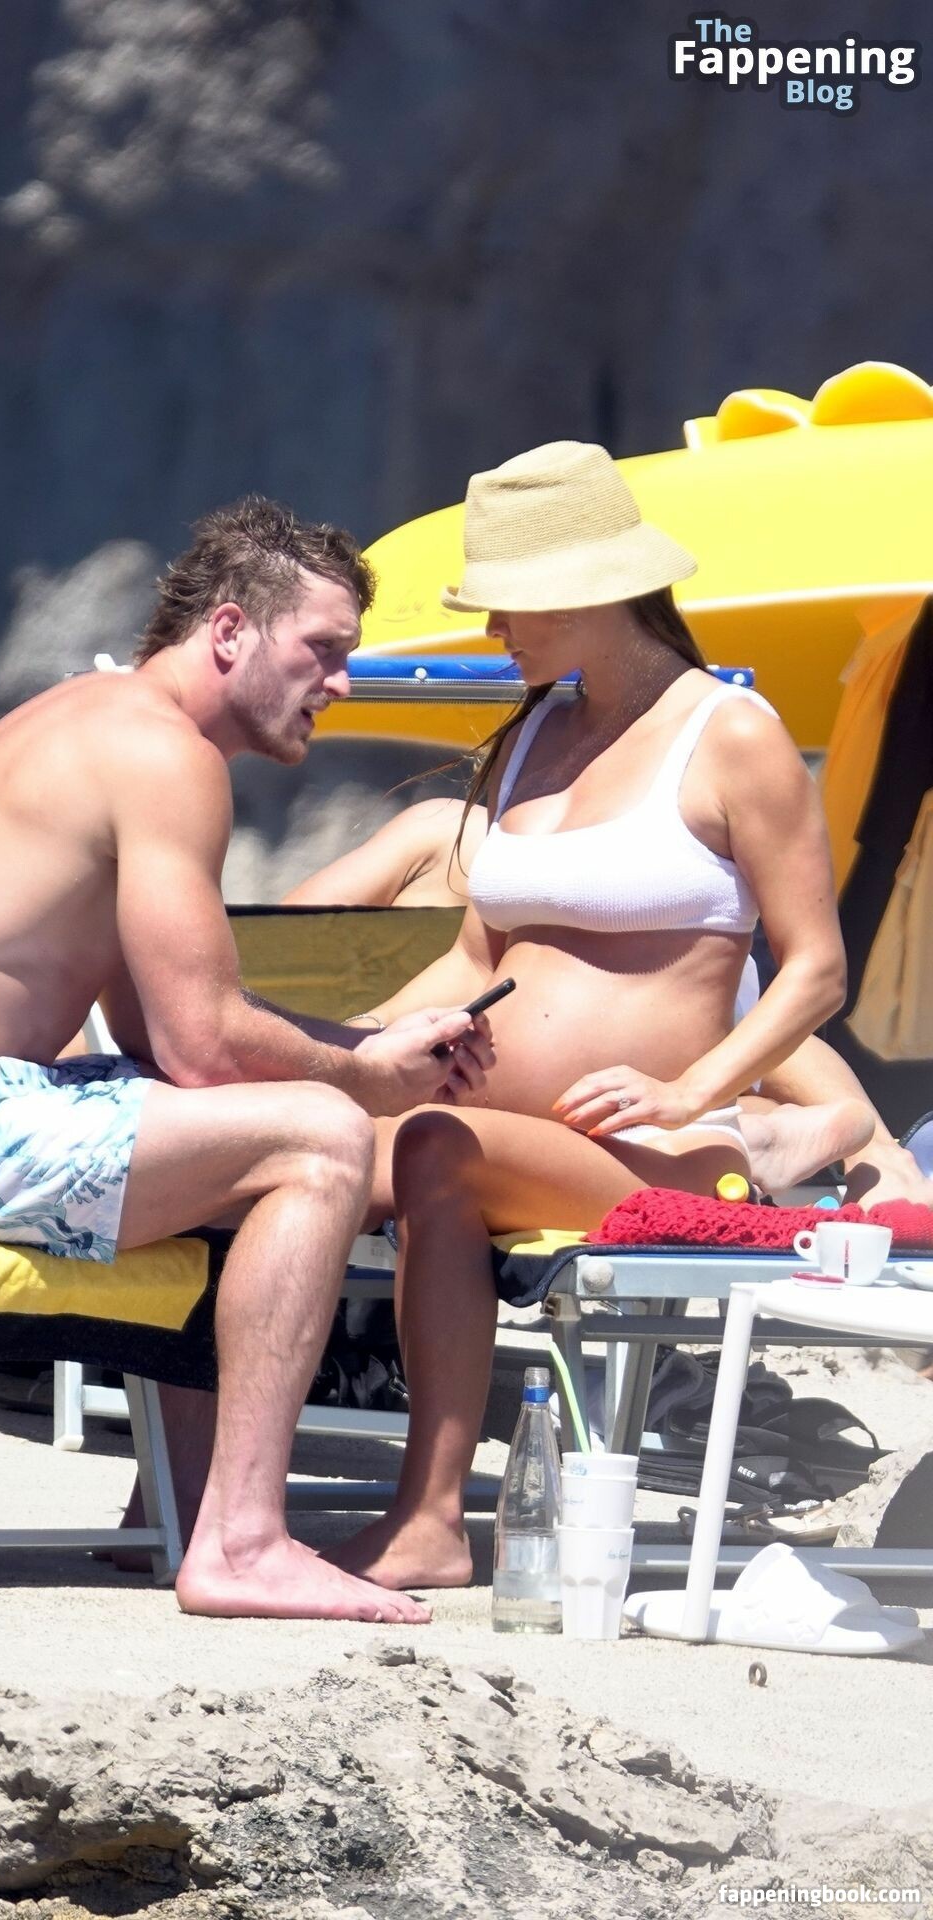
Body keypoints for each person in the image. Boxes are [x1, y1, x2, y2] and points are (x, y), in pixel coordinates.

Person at [0, 496, 495, 1623]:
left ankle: (184, 1504)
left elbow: (168, 1048)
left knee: (230, 1123)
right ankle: (242, 1543)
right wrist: (366, 1070)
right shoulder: (163, 755)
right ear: (229, 631)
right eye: (323, 650)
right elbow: (208, 1041)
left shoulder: (99, 722)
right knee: (321, 1140)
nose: (343, 684)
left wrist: (357, 1050)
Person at [330, 440, 856, 1591]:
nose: (488, 631)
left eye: (505, 605)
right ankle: (198, 1491)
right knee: (271, 1139)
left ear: (585, 593)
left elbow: (816, 971)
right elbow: (476, 955)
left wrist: (688, 1090)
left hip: (661, 1150)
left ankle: (427, 1519)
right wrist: (342, 1050)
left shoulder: (729, 735)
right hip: (501, 1130)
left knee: (433, 1150)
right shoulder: (530, 734)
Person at [285, 795, 930, 1207]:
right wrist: (358, 1043)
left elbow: (285, 948)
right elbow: (285, 944)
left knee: (728, 1041)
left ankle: (850, 1151)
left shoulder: (602, 856)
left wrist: (356, 1046)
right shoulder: (452, 835)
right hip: (484, 1068)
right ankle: (762, 1139)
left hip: (616, 1060)